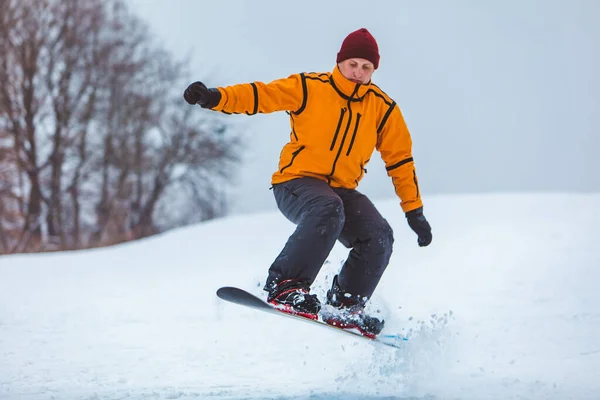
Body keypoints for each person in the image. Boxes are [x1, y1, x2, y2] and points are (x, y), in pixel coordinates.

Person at [183, 28, 432, 337]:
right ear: (340, 62)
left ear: (373, 71)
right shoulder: (310, 87)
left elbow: (400, 161)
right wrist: (214, 97)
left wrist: (414, 211)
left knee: (378, 234)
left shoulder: (383, 109)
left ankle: (345, 304)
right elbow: (260, 95)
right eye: (353, 64)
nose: (358, 72)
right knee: (328, 207)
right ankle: (284, 284)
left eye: (366, 68)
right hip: (295, 183)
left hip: (340, 191)